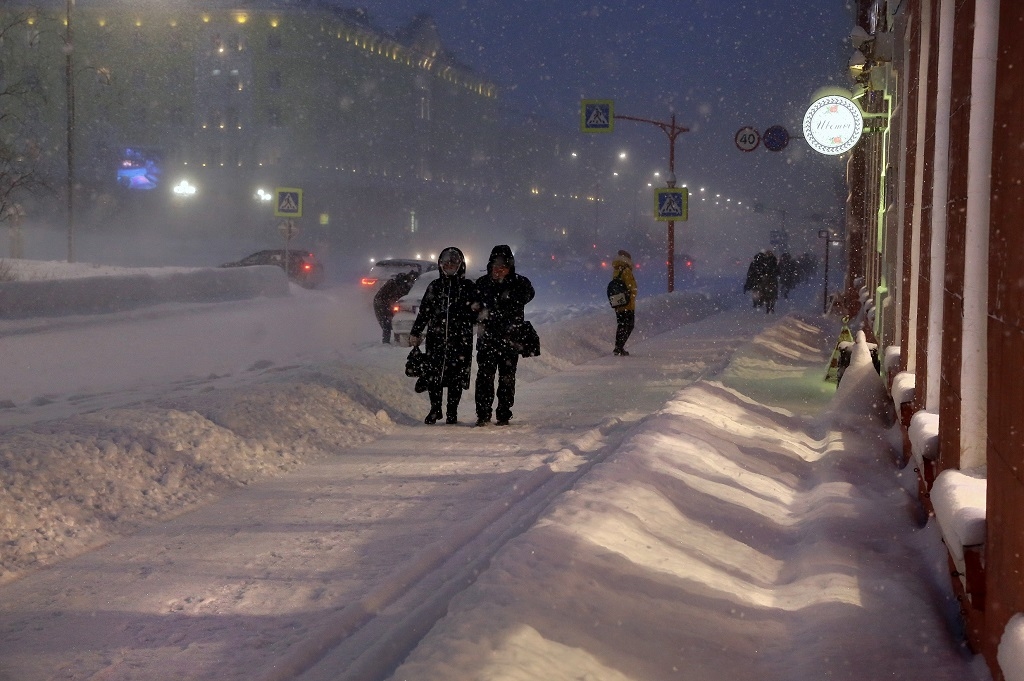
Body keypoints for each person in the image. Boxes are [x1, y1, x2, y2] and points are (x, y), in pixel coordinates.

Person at [409, 247, 481, 424]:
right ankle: (435, 409)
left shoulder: (468, 287)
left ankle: (451, 412)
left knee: (455, 376)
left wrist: (471, 312)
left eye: (453, 263)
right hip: (436, 338)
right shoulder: (435, 286)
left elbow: (477, 313)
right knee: (434, 375)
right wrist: (416, 331)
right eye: (446, 263)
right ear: (440, 265)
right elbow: (424, 312)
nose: (449, 266)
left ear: (460, 265)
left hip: (460, 340)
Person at [474, 245, 535, 427]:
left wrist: (507, 295)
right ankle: (483, 414)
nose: (498, 270)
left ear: (510, 267)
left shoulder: (519, 284)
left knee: (507, 378)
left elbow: (527, 294)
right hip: (487, 340)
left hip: (510, 340)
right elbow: (472, 307)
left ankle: (503, 413)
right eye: (495, 265)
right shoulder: (482, 284)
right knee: (485, 378)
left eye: (502, 266)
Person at [373, 271, 417, 344]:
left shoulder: (404, 284)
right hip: (382, 304)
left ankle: (396, 340)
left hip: (387, 303)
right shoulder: (395, 284)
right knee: (387, 323)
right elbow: (387, 297)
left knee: (393, 321)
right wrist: (390, 308)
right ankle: (387, 342)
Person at [611, 249, 638, 356]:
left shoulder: (617, 270)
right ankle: (619, 347)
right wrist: (632, 295)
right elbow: (631, 287)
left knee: (621, 325)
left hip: (618, 302)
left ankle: (618, 347)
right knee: (629, 325)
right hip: (627, 303)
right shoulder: (626, 270)